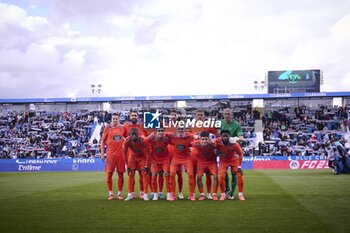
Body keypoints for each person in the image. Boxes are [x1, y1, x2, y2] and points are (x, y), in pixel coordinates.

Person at [190, 109, 218, 199]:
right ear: (196, 116)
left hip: (208, 153)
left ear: (204, 116)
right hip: (195, 152)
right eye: (198, 115)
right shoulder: (192, 126)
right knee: (194, 174)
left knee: (209, 175)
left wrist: (212, 144)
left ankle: (209, 193)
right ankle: (193, 194)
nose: (200, 116)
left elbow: (216, 136)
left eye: (201, 115)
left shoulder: (210, 125)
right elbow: (188, 138)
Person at [100, 113, 126, 200]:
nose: (115, 120)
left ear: (119, 119)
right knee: (109, 174)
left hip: (121, 156)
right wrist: (102, 153)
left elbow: (128, 138)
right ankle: (110, 193)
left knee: (121, 174)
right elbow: (102, 141)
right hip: (110, 156)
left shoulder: (122, 128)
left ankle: (119, 193)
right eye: (114, 118)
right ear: (111, 119)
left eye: (116, 118)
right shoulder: (107, 128)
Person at [220, 108, 244, 200]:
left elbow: (241, 138)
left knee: (235, 173)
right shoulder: (220, 123)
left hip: (233, 152)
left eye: (228, 114)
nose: (226, 115)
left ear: (231, 114)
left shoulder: (236, 125)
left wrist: (235, 138)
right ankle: (227, 189)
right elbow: (216, 134)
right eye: (225, 114)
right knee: (223, 174)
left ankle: (232, 193)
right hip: (223, 152)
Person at [123, 109, 146, 199]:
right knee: (131, 174)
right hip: (131, 155)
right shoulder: (126, 127)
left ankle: (142, 192)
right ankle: (130, 194)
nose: (134, 117)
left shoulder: (141, 126)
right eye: (132, 115)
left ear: (138, 117)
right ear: (130, 117)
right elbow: (122, 136)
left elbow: (144, 136)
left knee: (142, 174)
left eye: (135, 115)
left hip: (141, 154)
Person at [168, 126, 196, 201]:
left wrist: (188, 134)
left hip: (187, 158)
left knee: (190, 174)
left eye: (182, 129)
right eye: (179, 129)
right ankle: (173, 195)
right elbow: (165, 134)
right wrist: (173, 134)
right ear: (177, 131)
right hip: (176, 158)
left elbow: (196, 137)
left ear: (184, 130)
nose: (180, 130)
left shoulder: (188, 136)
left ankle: (191, 195)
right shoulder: (174, 137)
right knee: (172, 174)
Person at [144, 127, 172, 200]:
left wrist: (167, 134)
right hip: (155, 160)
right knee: (153, 175)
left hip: (165, 159)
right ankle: (155, 194)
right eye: (159, 131)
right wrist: (149, 136)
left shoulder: (166, 138)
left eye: (162, 131)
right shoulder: (152, 138)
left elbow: (175, 139)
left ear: (164, 132)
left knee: (167, 174)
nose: (160, 132)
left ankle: (169, 194)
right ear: (156, 131)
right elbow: (144, 141)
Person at [216, 130, 244, 201]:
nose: (225, 137)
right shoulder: (218, 142)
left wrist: (239, 166)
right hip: (223, 161)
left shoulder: (234, 144)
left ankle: (237, 194)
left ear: (229, 136)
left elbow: (240, 154)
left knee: (237, 174)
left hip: (234, 160)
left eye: (226, 136)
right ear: (221, 136)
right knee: (222, 176)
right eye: (223, 136)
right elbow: (212, 144)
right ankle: (223, 194)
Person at [123, 128, 150, 201]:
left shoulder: (143, 140)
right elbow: (124, 153)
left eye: (136, 135)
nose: (134, 136)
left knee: (144, 173)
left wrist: (147, 165)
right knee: (131, 174)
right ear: (130, 135)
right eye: (132, 135)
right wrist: (126, 165)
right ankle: (130, 194)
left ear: (138, 135)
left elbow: (148, 153)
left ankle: (145, 194)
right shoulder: (127, 141)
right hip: (132, 158)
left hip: (142, 157)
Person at [192, 131, 219, 201]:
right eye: (203, 139)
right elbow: (189, 143)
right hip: (201, 162)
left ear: (209, 139)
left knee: (215, 177)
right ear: (200, 139)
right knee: (199, 177)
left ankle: (214, 194)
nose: (204, 141)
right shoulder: (197, 144)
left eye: (206, 139)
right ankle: (202, 194)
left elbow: (218, 143)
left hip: (212, 162)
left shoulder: (213, 144)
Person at [164, 109, 184, 199]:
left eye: (174, 115)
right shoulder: (166, 126)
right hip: (168, 153)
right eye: (171, 115)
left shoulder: (181, 126)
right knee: (169, 174)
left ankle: (180, 192)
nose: (173, 116)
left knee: (179, 174)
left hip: (179, 153)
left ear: (177, 116)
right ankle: (171, 192)